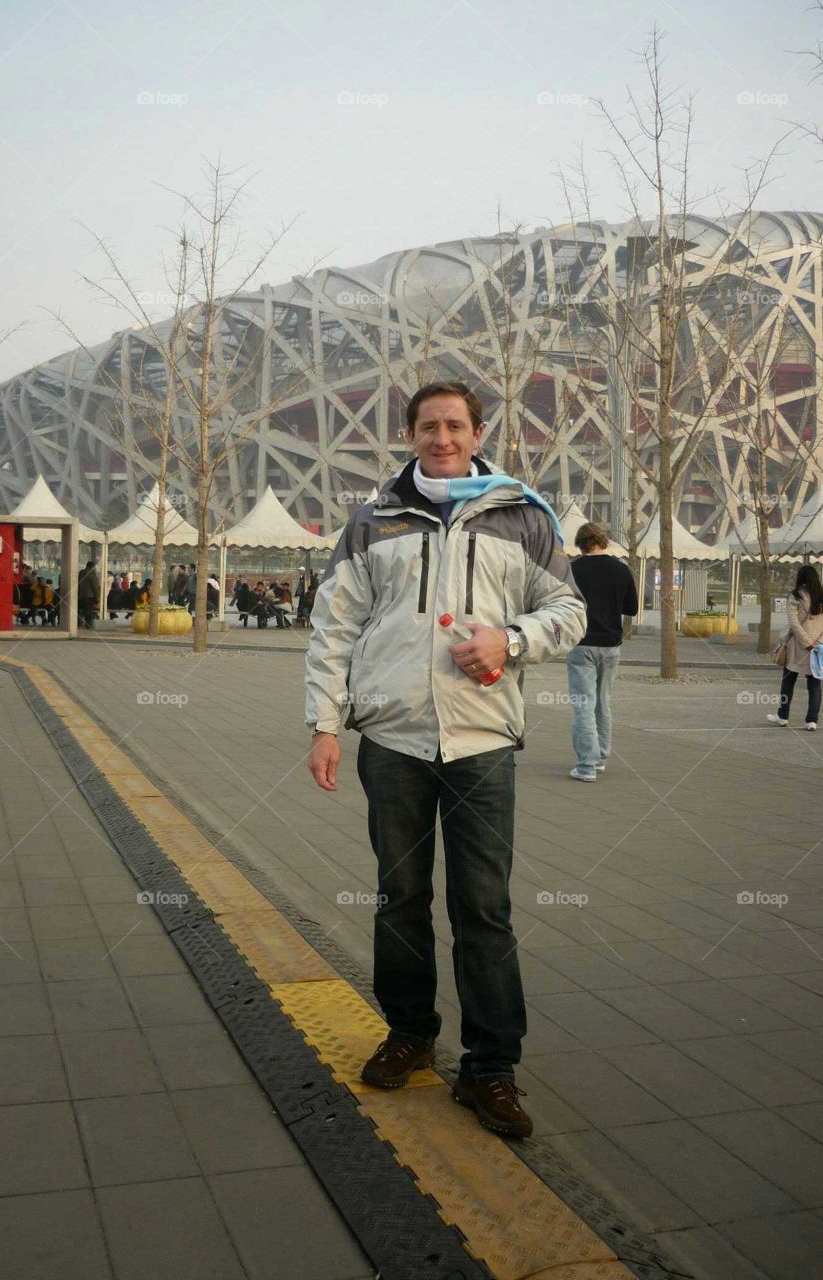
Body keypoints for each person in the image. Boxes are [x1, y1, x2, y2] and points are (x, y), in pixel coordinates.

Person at [304, 381, 585, 1139]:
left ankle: (491, 1069)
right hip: (393, 741)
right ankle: (411, 1034)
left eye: (455, 425)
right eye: (429, 426)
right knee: (398, 900)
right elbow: (333, 627)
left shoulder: (522, 515)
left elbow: (570, 611)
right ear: (410, 434)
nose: (443, 437)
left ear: (478, 431)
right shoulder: (373, 522)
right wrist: (325, 724)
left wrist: (511, 640)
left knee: (483, 909)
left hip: (482, 744)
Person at [566, 522, 638, 781]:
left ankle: (586, 764)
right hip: (611, 645)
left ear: (580, 544)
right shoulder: (621, 570)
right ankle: (601, 758)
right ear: (603, 541)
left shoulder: (571, 570)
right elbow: (631, 609)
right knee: (603, 701)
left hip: (581, 643)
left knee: (583, 704)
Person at [767, 564, 823, 730]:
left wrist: (806, 643)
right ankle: (812, 721)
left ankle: (783, 716)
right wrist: (817, 642)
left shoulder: (795, 596)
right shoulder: (821, 596)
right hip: (817, 648)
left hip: (796, 645)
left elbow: (794, 623)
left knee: (788, 682)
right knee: (814, 684)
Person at [77, 560, 100, 629]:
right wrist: (97, 598)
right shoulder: (91, 574)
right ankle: (89, 625)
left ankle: (78, 622)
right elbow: (95, 587)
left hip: (80, 595)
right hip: (89, 596)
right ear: (92, 567)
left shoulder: (81, 573)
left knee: (81, 610)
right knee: (88, 611)